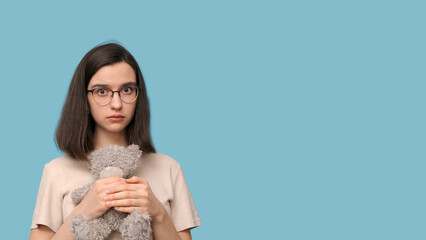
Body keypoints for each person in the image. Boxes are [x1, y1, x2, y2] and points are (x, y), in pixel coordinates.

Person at [29, 43, 202, 240]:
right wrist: (84, 209)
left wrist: (158, 212)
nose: (117, 104)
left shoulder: (169, 169)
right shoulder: (56, 172)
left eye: (127, 89)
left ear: (139, 95)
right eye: (102, 91)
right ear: (83, 98)